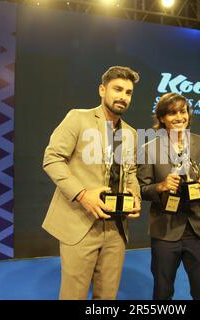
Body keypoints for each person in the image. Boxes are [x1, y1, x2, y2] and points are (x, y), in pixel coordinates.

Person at [42, 66, 141, 300]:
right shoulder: (78, 118)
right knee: (73, 296)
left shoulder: (131, 133)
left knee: (107, 297)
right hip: (81, 224)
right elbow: (52, 159)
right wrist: (83, 194)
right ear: (102, 89)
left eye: (128, 92)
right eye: (118, 89)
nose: (123, 97)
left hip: (116, 229)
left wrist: (134, 196)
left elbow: (132, 172)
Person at [137, 93, 200, 300]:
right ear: (161, 118)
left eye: (182, 111)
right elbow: (141, 188)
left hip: (199, 230)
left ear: (188, 114)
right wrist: (161, 187)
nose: (179, 117)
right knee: (163, 292)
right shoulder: (149, 148)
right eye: (172, 113)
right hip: (165, 232)